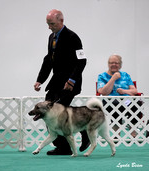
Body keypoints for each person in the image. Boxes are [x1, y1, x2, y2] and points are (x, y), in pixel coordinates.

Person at [33, 9, 90, 155]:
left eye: (51, 24)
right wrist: (40, 79)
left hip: (70, 82)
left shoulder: (72, 37)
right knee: (46, 111)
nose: (49, 27)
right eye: (48, 24)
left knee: (59, 113)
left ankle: (84, 131)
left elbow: (82, 61)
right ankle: (63, 147)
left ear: (61, 21)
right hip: (56, 81)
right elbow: (48, 60)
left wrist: (71, 80)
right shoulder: (51, 37)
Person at [97, 54, 140, 137]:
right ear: (108, 64)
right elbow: (103, 92)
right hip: (109, 101)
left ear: (120, 65)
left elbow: (134, 91)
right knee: (115, 104)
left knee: (135, 103)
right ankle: (117, 133)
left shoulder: (125, 75)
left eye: (116, 63)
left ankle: (133, 133)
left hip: (125, 101)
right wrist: (113, 78)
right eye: (111, 63)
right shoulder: (102, 76)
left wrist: (124, 91)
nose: (114, 65)